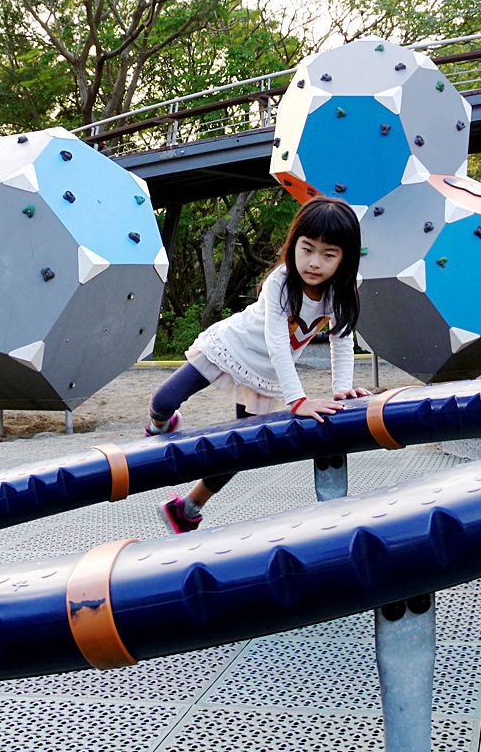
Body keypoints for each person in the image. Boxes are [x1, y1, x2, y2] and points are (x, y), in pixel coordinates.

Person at [147, 195, 369, 533]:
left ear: (345, 258)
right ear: (294, 244)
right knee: (163, 401)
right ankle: (162, 425)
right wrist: (298, 400)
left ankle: (187, 508)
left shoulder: (342, 292)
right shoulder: (281, 282)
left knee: (241, 449)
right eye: (307, 249)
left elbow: (342, 341)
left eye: (329, 254)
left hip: (264, 375)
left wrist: (342, 391)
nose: (314, 262)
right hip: (230, 348)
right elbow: (278, 343)